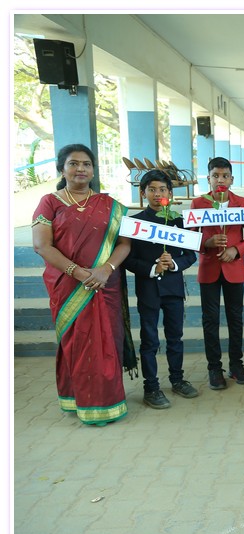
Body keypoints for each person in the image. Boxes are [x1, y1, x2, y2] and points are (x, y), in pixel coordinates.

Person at [31, 144, 135, 426]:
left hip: (105, 284)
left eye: (86, 164)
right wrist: (78, 273)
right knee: (76, 342)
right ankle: (78, 400)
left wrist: (105, 269)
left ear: (93, 170)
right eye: (74, 163)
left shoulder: (111, 206)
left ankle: (107, 403)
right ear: (61, 169)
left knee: (106, 341)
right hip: (68, 285)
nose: (80, 169)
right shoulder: (49, 202)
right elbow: (42, 246)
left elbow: (125, 244)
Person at [123, 170, 199, 409]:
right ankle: (151, 387)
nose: (157, 194)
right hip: (148, 289)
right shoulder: (134, 223)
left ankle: (177, 379)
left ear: (170, 193)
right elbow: (128, 259)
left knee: (175, 337)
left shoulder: (178, 221)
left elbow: (190, 255)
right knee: (149, 340)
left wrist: (174, 264)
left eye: (162, 189)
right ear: (143, 192)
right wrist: (152, 268)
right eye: (152, 189)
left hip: (174, 289)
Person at [190, 157, 244, 390]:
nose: (220, 180)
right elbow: (190, 237)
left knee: (235, 318)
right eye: (215, 176)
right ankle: (214, 368)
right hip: (209, 268)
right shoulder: (198, 204)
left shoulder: (243, 204)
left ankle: (236, 365)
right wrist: (206, 243)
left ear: (232, 179)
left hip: (234, 268)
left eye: (225, 176)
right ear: (208, 179)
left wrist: (236, 250)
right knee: (210, 320)